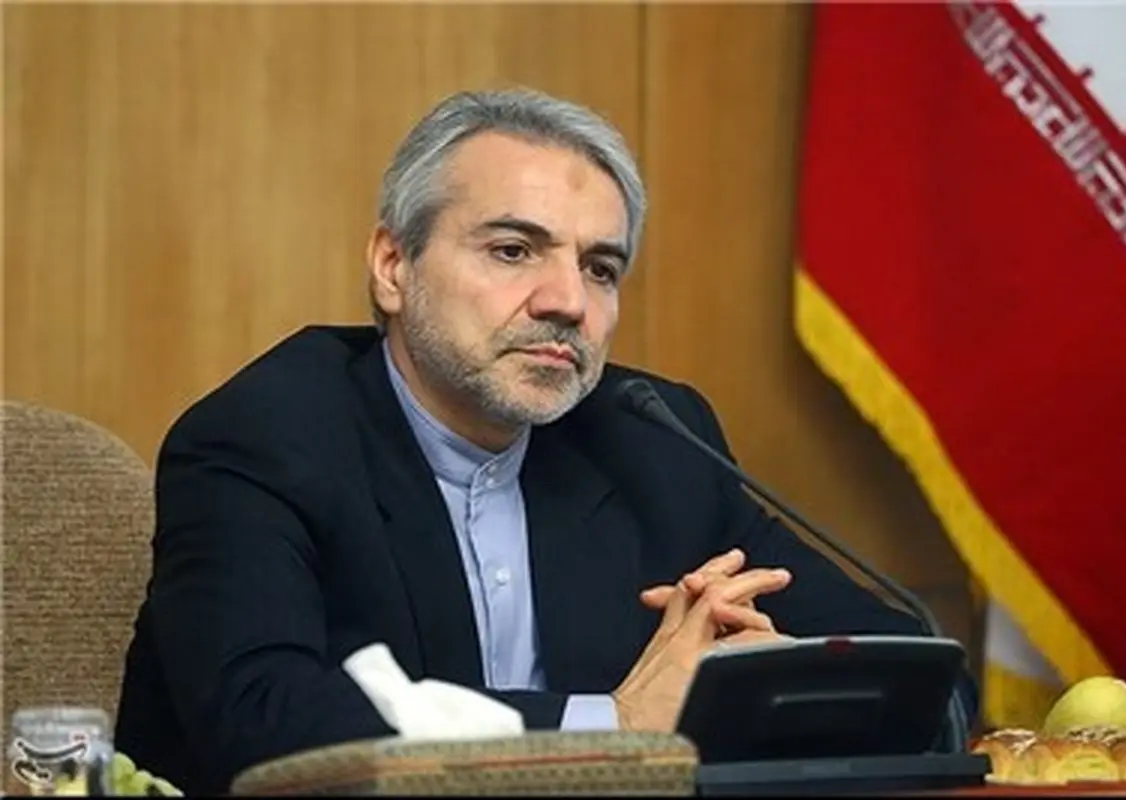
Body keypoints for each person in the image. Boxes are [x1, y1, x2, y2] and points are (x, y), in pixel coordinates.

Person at [113, 88, 975, 794]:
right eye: (513, 250)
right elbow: (260, 721)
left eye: (600, 268)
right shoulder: (265, 437)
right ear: (393, 267)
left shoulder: (651, 439)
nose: (567, 301)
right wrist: (615, 727)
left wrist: (768, 683)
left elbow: (922, 676)